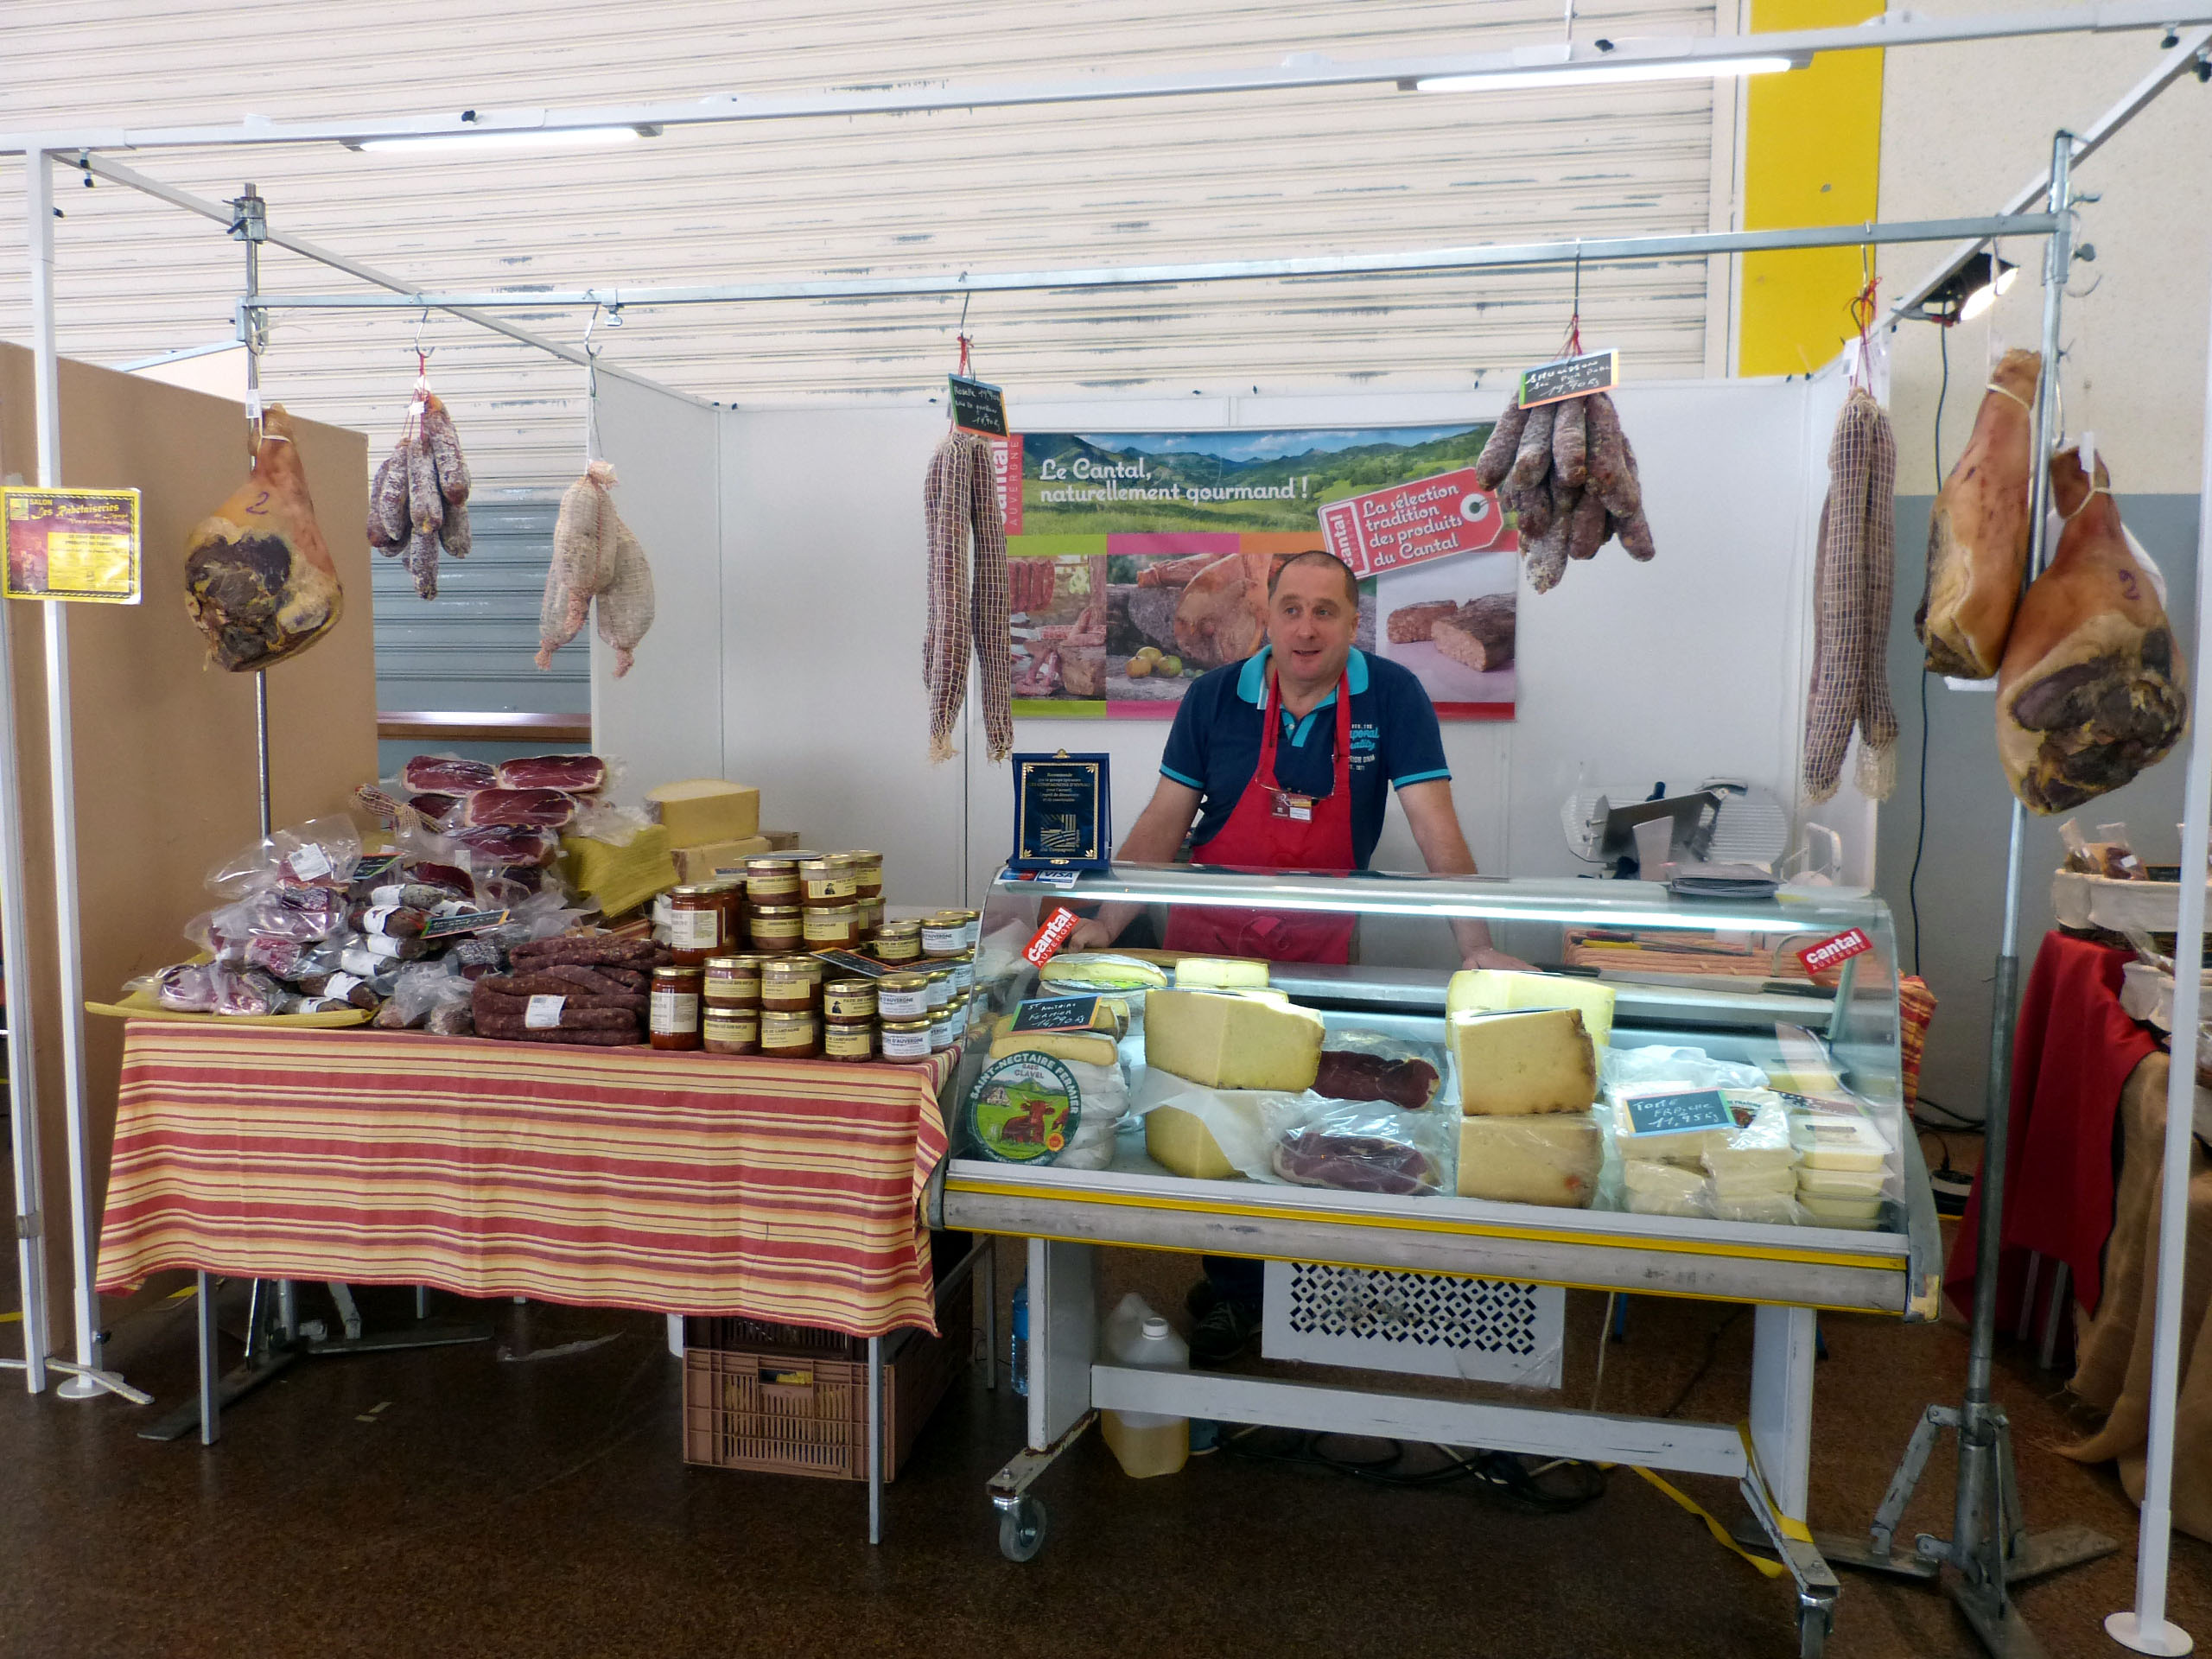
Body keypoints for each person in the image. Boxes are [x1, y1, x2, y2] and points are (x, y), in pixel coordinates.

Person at [1065, 548, 1524, 1362]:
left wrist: (1478, 947)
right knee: (1219, 1110)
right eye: (1292, 609)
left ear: (1354, 622)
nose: (1307, 627)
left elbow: (1434, 825)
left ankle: (1276, 1285)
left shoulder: (1393, 694)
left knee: (1307, 1111)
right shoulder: (1213, 697)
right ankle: (1240, 1285)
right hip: (1214, 941)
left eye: (1327, 611)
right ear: (1265, 615)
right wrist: (1105, 922)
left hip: (1319, 942)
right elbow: (1164, 824)